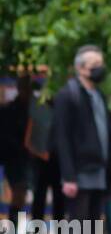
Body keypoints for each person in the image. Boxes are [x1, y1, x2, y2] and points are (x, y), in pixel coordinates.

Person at [51, 47, 111, 234]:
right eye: (93, 64)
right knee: (77, 225)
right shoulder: (68, 96)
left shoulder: (97, 95)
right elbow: (62, 139)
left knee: (91, 225)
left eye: (101, 62)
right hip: (79, 173)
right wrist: (68, 176)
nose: (99, 68)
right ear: (80, 68)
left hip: (98, 170)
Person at [24, 73, 61, 224]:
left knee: (59, 202)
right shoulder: (37, 108)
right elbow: (27, 141)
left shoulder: (61, 109)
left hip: (58, 161)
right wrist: (40, 154)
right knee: (39, 199)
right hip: (41, 161)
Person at [0, 76, 28, 225]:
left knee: (20, 193)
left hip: (23, 156)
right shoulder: (11, 110)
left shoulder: (29, 108)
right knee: (19, 192)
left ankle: (13, 229)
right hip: (14, 156)